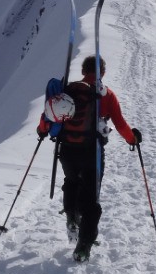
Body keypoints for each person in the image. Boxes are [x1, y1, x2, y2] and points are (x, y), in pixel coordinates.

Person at [38, 55, 142, 261]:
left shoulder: (69, 90)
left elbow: (49, 117)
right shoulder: (106, 95)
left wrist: (41, 131)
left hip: (67, 149)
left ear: (83, 70)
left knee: (71, 181)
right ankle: (83, 245)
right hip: (91, 152)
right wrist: (133, 140)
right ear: (102, 72)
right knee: (91, 197)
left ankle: (71, 216)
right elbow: (120, 123)